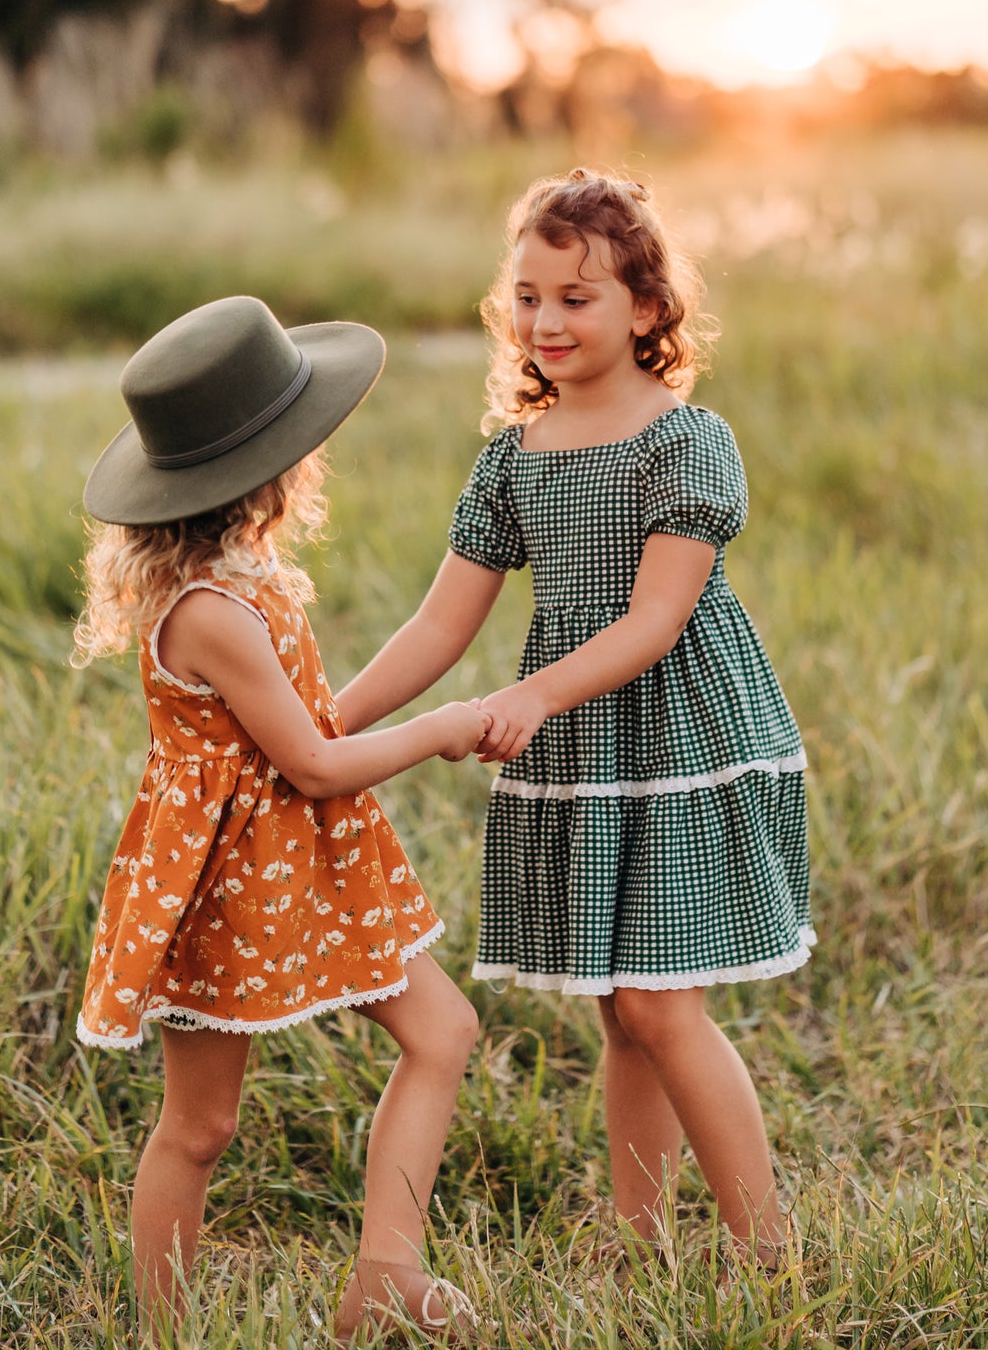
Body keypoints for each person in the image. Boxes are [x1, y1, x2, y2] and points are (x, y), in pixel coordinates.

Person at [337, 170, 813, 1276]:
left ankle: (771, 1255)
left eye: (578, 297)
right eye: (528, 296)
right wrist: (329, 725)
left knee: (657, 999)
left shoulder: (685, 443)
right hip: (582, 753)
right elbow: (440, 622)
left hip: (679, 736)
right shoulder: (513, 457)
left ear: (648, 309)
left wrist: (535, 695)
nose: (546, 321)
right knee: (618, 1007)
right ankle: (637, 1235)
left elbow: (656, 619)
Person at [73, 295, 485, 1345]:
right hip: (222, 882)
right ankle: (163, 1331)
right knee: (201, 1124)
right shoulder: (209, 613)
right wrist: (442, 726)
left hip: (307, 860)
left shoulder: (239, 583)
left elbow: (305, 734)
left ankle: (385, 1273)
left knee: (441, 1031)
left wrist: (383, 722)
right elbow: (308, 761)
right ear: (269, 468)